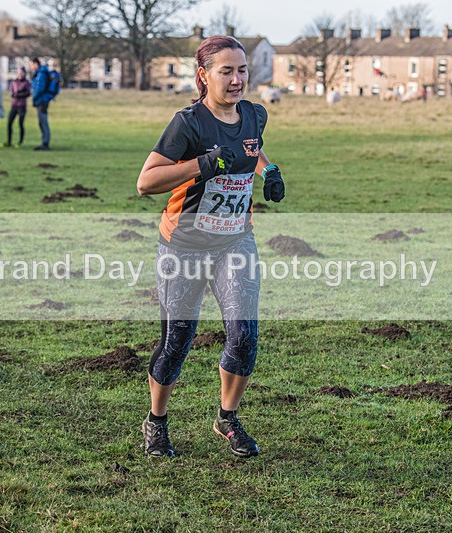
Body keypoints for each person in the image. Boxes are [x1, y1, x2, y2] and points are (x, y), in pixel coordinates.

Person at [135, 35, 285, 458]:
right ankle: (156, 422)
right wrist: (201, 165)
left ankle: (227, 419)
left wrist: (268, 170)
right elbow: (145, 182)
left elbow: (250, 149)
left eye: (242, 70)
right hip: (183, 245)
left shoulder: (255, 116)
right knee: (176, 340)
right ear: (204, 76)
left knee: (244, 335)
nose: (237, 80)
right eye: (227, 71)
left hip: (235, 241)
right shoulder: (188, 124)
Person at [1, 66, 31, 148]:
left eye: (21, 73)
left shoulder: (26, 83)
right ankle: (9, 141)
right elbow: (11, 91)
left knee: (20, 124)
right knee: (9, 123)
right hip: (14, 105)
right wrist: (13, 94)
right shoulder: (14, 82)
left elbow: (28, 93)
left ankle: (20, 142)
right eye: (18, 73)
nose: (20, 74)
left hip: (22, 106)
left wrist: (19, 94)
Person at [30, 58, 51, 151]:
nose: (30, 67)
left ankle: (45, 143)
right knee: (41, 122)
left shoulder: (41, 74)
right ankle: (44, 142)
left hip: (41, 101)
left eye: (31, 64)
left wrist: (34, 98)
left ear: (35, 64)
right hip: (41, 100)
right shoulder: (40, 74)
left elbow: (39, 88)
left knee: (43, 122)